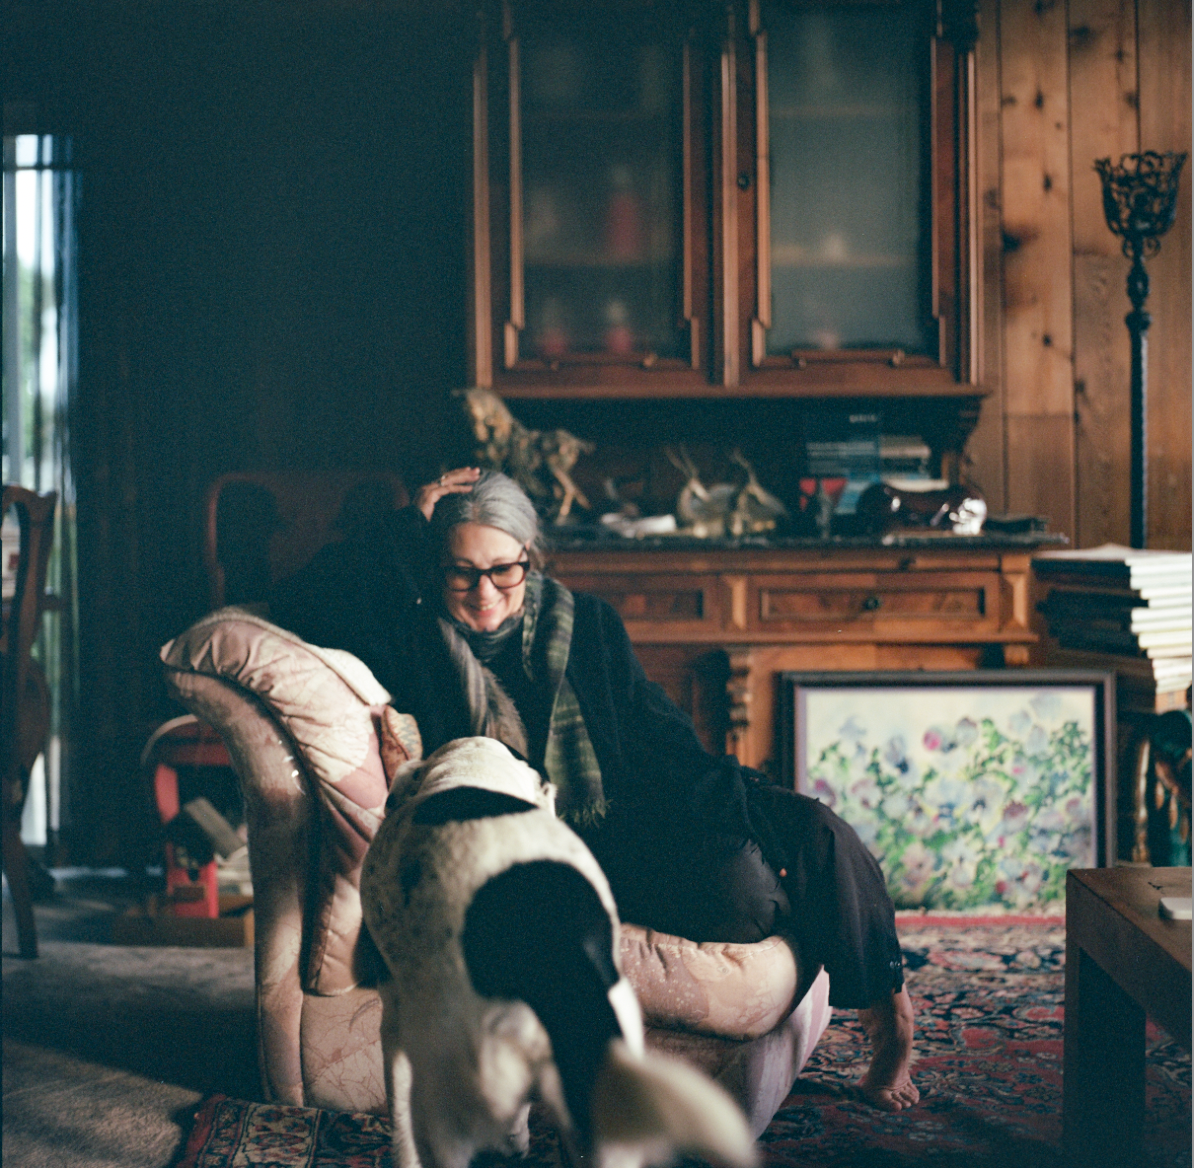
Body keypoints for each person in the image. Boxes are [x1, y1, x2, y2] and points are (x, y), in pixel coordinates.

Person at [270, 466, 918, 1112]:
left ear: (530, 558)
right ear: (433, 567)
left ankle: (892, 1022)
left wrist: (759, 809)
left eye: (504, 569)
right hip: (525, 855)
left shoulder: (587, 625)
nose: (484, 590)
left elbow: (661, 746)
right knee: (748, 892)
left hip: (623, 829)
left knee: (813, 830)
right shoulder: (408, 638)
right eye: (460, 570)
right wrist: (410, 520)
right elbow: (299, 601)